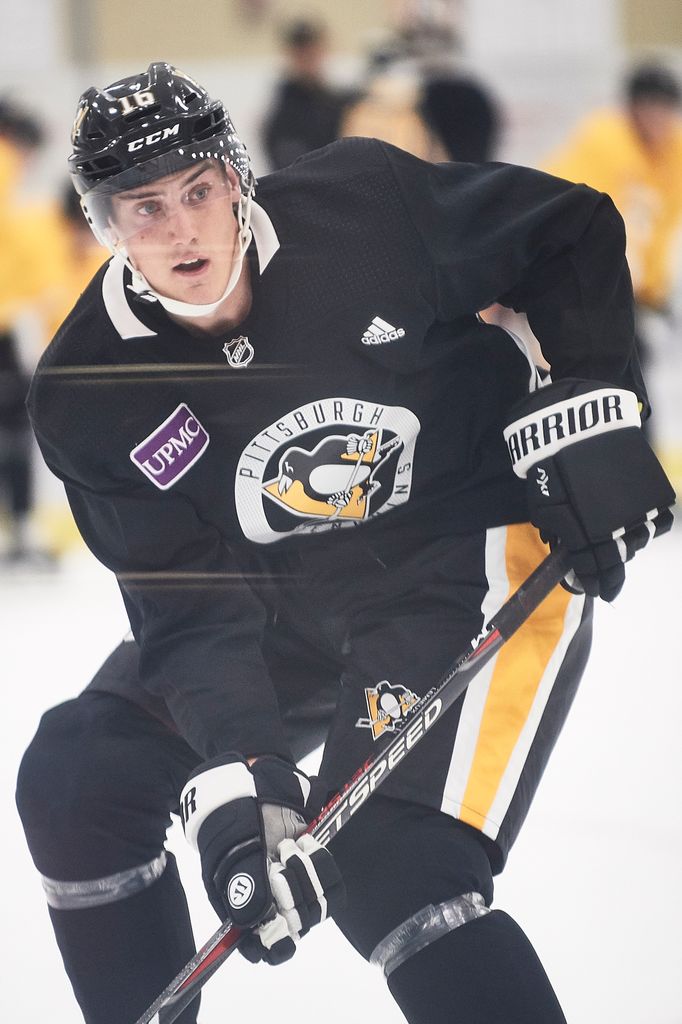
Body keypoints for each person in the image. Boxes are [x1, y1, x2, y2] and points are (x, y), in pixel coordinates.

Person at [16, 62, 675, 1024]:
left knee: (391, 860)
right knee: (79, 776)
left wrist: (589, 413)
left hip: (466, 551)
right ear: (104, 226)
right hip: (282, 599)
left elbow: (567, 229)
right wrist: (248, 779)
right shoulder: (88, 390)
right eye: (145, 207)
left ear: (237, 180)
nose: (183, 227)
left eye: (198, 190)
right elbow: (188, 608)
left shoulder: (362, 208)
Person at [544, 63, 682, 440]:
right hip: (570, 269)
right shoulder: (606, 139)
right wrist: (626, 279)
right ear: (633, 107)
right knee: (596, 370)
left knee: (629, 368)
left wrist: (653, 290)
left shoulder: (673, 150)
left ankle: (631, 453)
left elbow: (663, 223)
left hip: (616, 284)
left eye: (666, 108)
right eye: (650, 107)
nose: (659, 118)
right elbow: (598, 218)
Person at [262, 18, 351, 171]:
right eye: (301, 51)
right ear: (290, 54)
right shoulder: (283, 115)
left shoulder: (339, 101)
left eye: (313, 49)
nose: (308, 56)